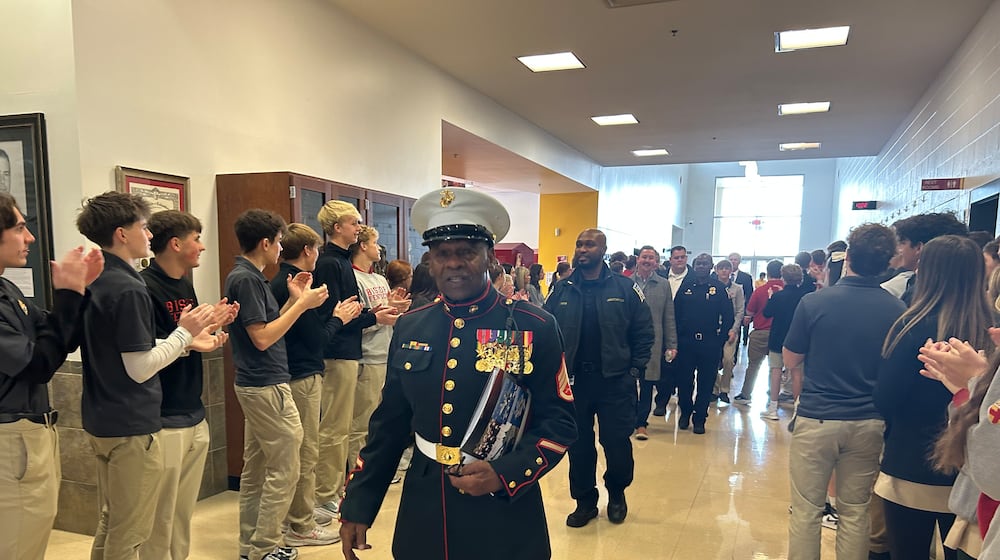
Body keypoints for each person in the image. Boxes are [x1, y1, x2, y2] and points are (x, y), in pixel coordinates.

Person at [339, 188, 576, 560]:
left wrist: (505, 473)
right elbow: (389, 425)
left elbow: (559, 424)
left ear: (488, 258)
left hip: (503, 514)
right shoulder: (412, 327)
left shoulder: (534, 326)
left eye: (466, 252)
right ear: (430, 262)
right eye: (442, 254)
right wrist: (359, 502)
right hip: (425, 506)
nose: (454, 263)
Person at [76, 192, 217, 560]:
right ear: (122, 233)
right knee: (132, 532)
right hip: (131, 423)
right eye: (142, 227)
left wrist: (189, 338)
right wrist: (185, 333)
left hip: (103, 418)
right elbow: (138, 367)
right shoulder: (130, 286)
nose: (149, 235)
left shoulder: (98, 276)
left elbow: (128, 347)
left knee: (113, 524)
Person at [783, 223, 907, 560]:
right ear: (888, 263)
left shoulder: (815, 302)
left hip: (818, 416)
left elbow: (792, 357)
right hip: (869, 421)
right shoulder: (898, 311)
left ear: (848, 257)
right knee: (855, 510)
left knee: (807, 509)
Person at [875, 235, 993, 560]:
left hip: (911, 462)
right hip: (975, 474)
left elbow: (885, 397)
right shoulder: (993, 329)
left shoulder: (910, 326)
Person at [0, 192, 102, 560]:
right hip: (11, 437)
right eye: (19, 227)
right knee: (18, 543)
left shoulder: (8, 290)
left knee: (34, 531)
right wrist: (68, 295)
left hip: (31, 434)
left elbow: (62, 337)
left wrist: (77, 292)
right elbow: (38, 365)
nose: (29, 238)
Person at [224, 209, 330, 560]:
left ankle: (252, 545)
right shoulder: (247, 279)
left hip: (260, 383)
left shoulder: (248, 277)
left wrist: (292, 301)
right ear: (266, 242)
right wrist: (303, 306)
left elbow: (268, 323)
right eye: (279, 241)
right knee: (286, 468)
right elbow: (263, 338)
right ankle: (264, 547)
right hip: (266, 384)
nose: (281, 248)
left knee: (256, 469)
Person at [140, 210, 237, 560]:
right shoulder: (144, 287)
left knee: (182, 513)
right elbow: (148, 349)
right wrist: (192, 340)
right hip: (162, 416)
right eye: (197, 239)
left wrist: (212, 327)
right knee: (159, 516)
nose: (202, 247)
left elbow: (186, 336)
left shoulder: (184, 282)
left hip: (193, 411)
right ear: (176, 243)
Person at [545, 228, 652, 526]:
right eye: (579, 244)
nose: (582, 249)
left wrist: (634, 369)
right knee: (578, 446)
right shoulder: (562, 290)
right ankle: (585, 501)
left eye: (590, 244)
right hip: (575, 383)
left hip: (615, 381)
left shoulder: (625, 289)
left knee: (616, 443)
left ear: (603, 250)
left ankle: (616, 493)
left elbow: (644, 331)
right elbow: (546, 330)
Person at [270, 223, 360, 548]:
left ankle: (301, 512)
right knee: (305, 453)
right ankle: (300, 523)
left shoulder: (287, 281)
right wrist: (339, 318)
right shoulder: (291, 285)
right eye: (316, 249)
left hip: (294, 374)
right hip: (300, 376)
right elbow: (317, 340)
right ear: (308, 250)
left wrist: (331, 315)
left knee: (301, 452)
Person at [312, 201, 398, 519]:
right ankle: (324, 494)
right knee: (334, 429)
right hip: (337, 353)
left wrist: (374, 314)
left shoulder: (342, 262)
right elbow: (337, 317)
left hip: (351, 352)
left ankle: (336, 488)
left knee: (349, 427)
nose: (359, 227)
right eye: (354, 222)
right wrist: (373, 317)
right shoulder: (331, 264)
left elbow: (352, 314)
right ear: (337, 227)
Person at [347, 225, 409, 478]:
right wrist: (381, 317)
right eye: (375, 242)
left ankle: (376, 466)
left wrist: (393, 307)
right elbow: (357, 322)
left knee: (381, 418)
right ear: (363, 246)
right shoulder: (354, 278)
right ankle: (358, 473)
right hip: (367, 355)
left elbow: (383, 312)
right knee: (362, 422)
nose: (379, 248)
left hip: (386, 353)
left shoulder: (379, 279)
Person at [670, 253, 734, 434]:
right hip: (686, 342)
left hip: (710, 343)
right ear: (694, 265)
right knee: (684, 381)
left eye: (705, 264)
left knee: (706, 383)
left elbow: (728, 316)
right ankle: (685, 413)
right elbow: (675, 312)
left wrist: (720, 340)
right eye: (698, 263)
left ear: (711, 266)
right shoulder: (686, 286)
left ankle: (699, 419)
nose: (701, 266)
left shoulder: (719, 289)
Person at [632, 245, 677, 440]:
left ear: (656, 262)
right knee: (627, 385)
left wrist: (672, 344)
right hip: (628, 341)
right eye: (644, 257)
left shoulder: (663, 284)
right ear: (637, 260)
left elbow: (669, 316)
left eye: (651, 258)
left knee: (647, 383)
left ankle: (642, 423)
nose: (647, 260)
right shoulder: (625, 283)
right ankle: (628, 420)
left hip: (653, 342)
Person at [734, 260, 783, 406]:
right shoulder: (787, 290)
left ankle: (746, 394)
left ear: (767, 273)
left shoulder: (760, 290)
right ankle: (773, 394)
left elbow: (749, 312)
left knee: (753, 365)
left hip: (761, 332)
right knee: (776, 367)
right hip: (780, 333)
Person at [713, 258, 744, 405]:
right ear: (716, 270)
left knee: (728, 359)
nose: (724, 271)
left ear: (731, 271)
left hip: (730, 329)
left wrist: (734, 329)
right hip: (713, 328)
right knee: (712, 359)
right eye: (721, 268)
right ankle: (714, 388)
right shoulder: (712, 287)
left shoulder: (737, 288)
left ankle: (724, 389)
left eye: (727, 268)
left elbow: (740, 311)